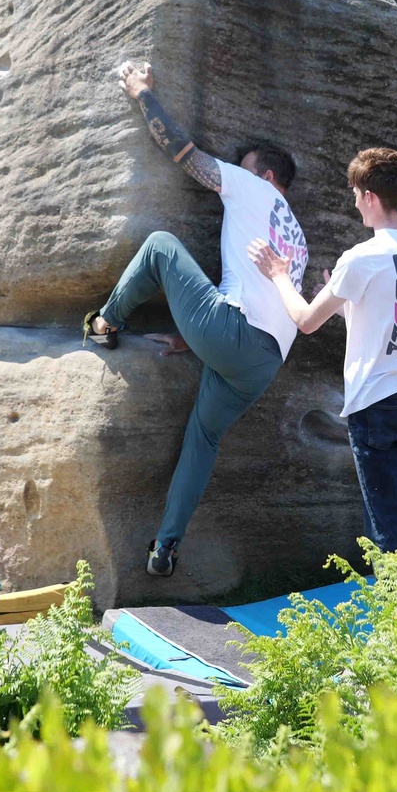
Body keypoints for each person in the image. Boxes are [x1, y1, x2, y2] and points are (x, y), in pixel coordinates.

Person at [84, 60, 309, 577]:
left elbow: (184, 153)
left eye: (245, 165)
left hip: (232, 334)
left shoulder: (256, 189)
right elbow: (260, 293)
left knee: (161, 245)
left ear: (266, 175)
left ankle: (104, 325)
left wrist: (143, 94)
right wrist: (196, 336)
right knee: (202, 439)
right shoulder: (296, 235)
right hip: (262, 363)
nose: (236, 171)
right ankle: (165, 549)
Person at [249, 147, 397, 571]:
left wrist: (279, 275)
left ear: (370, 196)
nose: (354, 202)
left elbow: (304, 320)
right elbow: (394, 322)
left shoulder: (360, 258)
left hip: (375, 405)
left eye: (355, 193)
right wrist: (343, 301)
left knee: (387, 530)